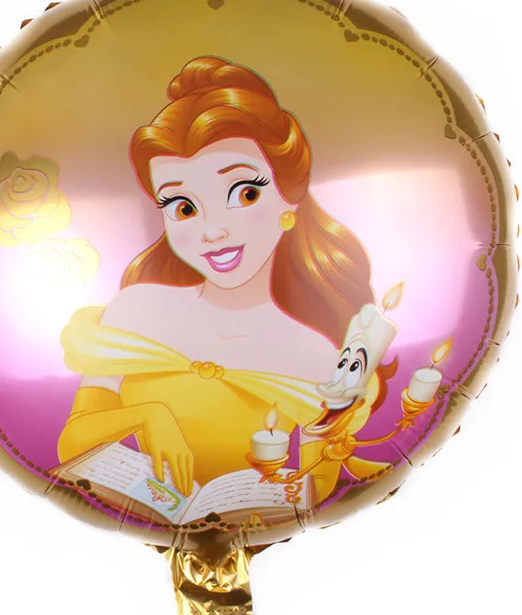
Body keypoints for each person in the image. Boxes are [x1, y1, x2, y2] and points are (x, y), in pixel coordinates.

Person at [58, 55, 390, 503]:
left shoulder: (315, 352)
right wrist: (148, 415)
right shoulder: (136, 310)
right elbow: (74, 444)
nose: (212, 231)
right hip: (142, 510)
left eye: (245, 193)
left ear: (290, 199)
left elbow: (315, 487)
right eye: (184, 207)